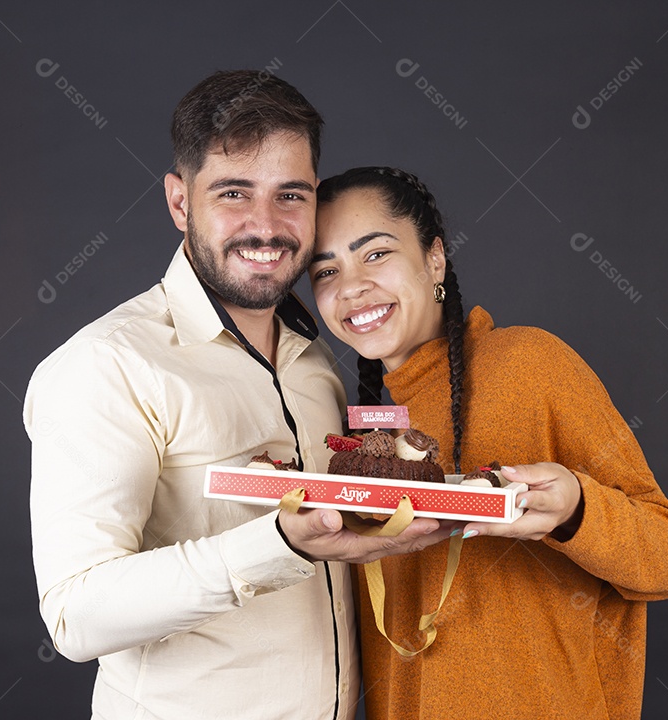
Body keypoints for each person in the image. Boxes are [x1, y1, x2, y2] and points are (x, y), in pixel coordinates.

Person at [24, 75, 450, 720]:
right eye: (233, 193)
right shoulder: (106, 363)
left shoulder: (315, 360)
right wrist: (281, 545)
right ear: (179, 201)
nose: (267, 226)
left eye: (291, 195)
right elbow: (75, 615)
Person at [309, 166, 668, 720]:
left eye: (375, 254)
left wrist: (575, 512)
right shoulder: (361, 435)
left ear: (434, 259)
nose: (350, 286)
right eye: (326, 270)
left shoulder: (531, 363)